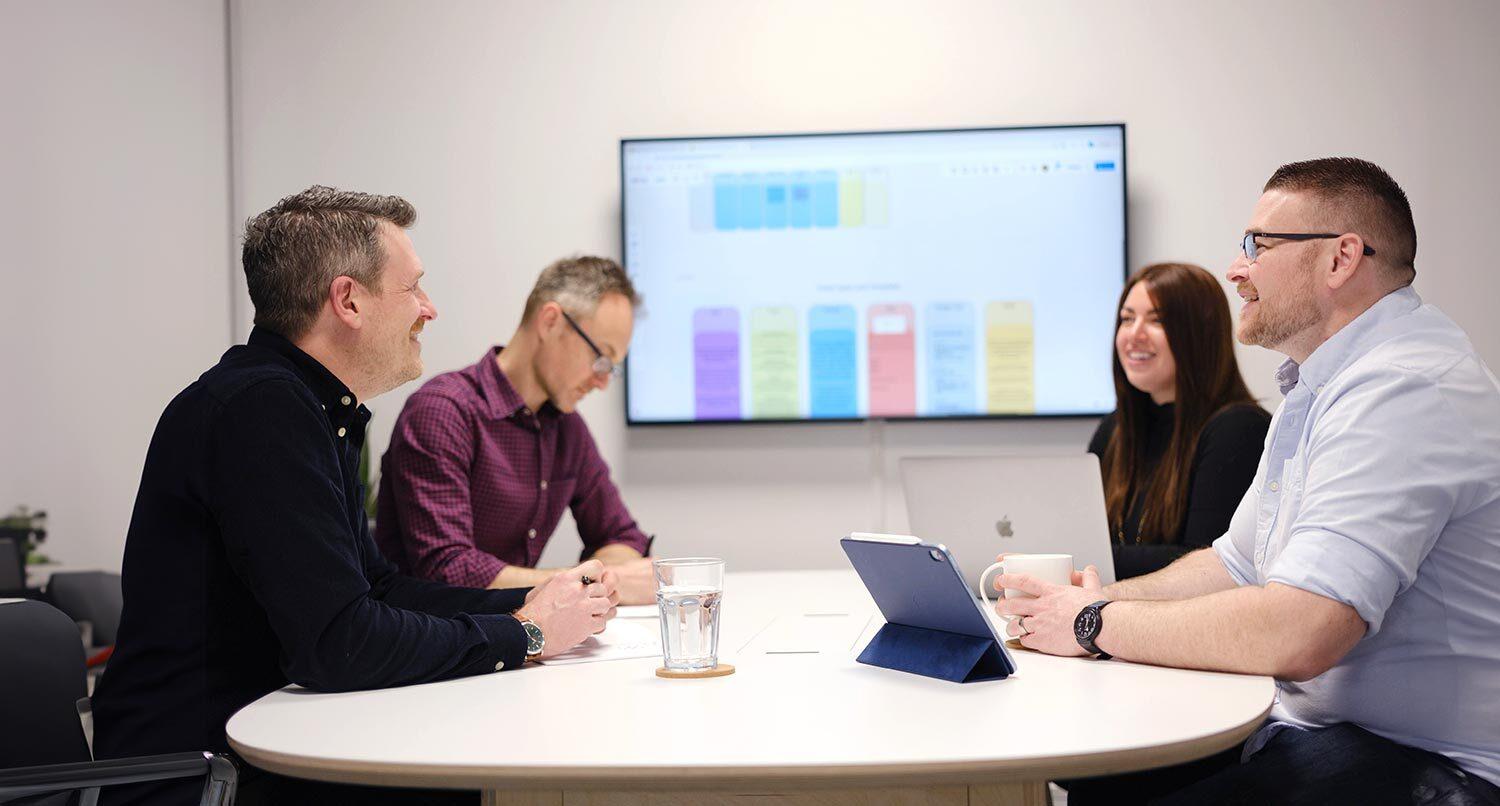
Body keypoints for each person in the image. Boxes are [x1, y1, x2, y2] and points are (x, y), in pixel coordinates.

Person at [92, 187, 618, 806]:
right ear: (348, 301)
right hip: (204, 774)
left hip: (265, 738)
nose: (429, 309)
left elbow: (377, 589)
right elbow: (339, 643)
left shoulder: (308, 406)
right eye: (414, 288)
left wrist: (521, 603)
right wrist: (526, 635)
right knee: (467, 781)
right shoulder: (262, 410)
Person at [997, 158, 1500, 804]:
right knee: (1094, 780)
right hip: (1314, 729)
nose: (1237, 269)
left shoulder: (1406, 388)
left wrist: (1095, 622)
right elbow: (1234, 564)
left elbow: (1302, 630)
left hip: (1425, 766)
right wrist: (1081, 607)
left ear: (1341, 259)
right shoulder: (1316, 385)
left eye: (1259, 246)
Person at [375, 256, 657, 604]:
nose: (602, 381)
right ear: (551, 322)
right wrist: (584, 582)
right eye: (602, 357)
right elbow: (449, 571)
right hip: (431, 642)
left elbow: (623, 538)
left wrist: (604, 579)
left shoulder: (567, 429)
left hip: (521, 639)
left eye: (611, 368)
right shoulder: (444, 412)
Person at [1087, 262, 1270, 579]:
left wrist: (1082, 558)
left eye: (1157, 320)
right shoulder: (1114, 430)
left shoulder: (1238, 430)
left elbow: (1208, 562)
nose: (1134, 334)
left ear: (1198, 334)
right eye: (1127, 319)